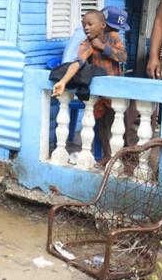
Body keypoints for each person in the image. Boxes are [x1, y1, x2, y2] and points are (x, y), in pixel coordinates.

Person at [52, 10, 127, 165]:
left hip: (113, 92)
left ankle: (119, 158)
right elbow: (78, 63)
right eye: (83, 24)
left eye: (90, 24)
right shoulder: (86, 43)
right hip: (98, 94)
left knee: (116, 125)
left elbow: (122, 56)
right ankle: (107, 155)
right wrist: (64, 81)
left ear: (102, 25)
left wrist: (102, 47)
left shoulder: (112, 37)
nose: (86, 27)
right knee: (101, 125)